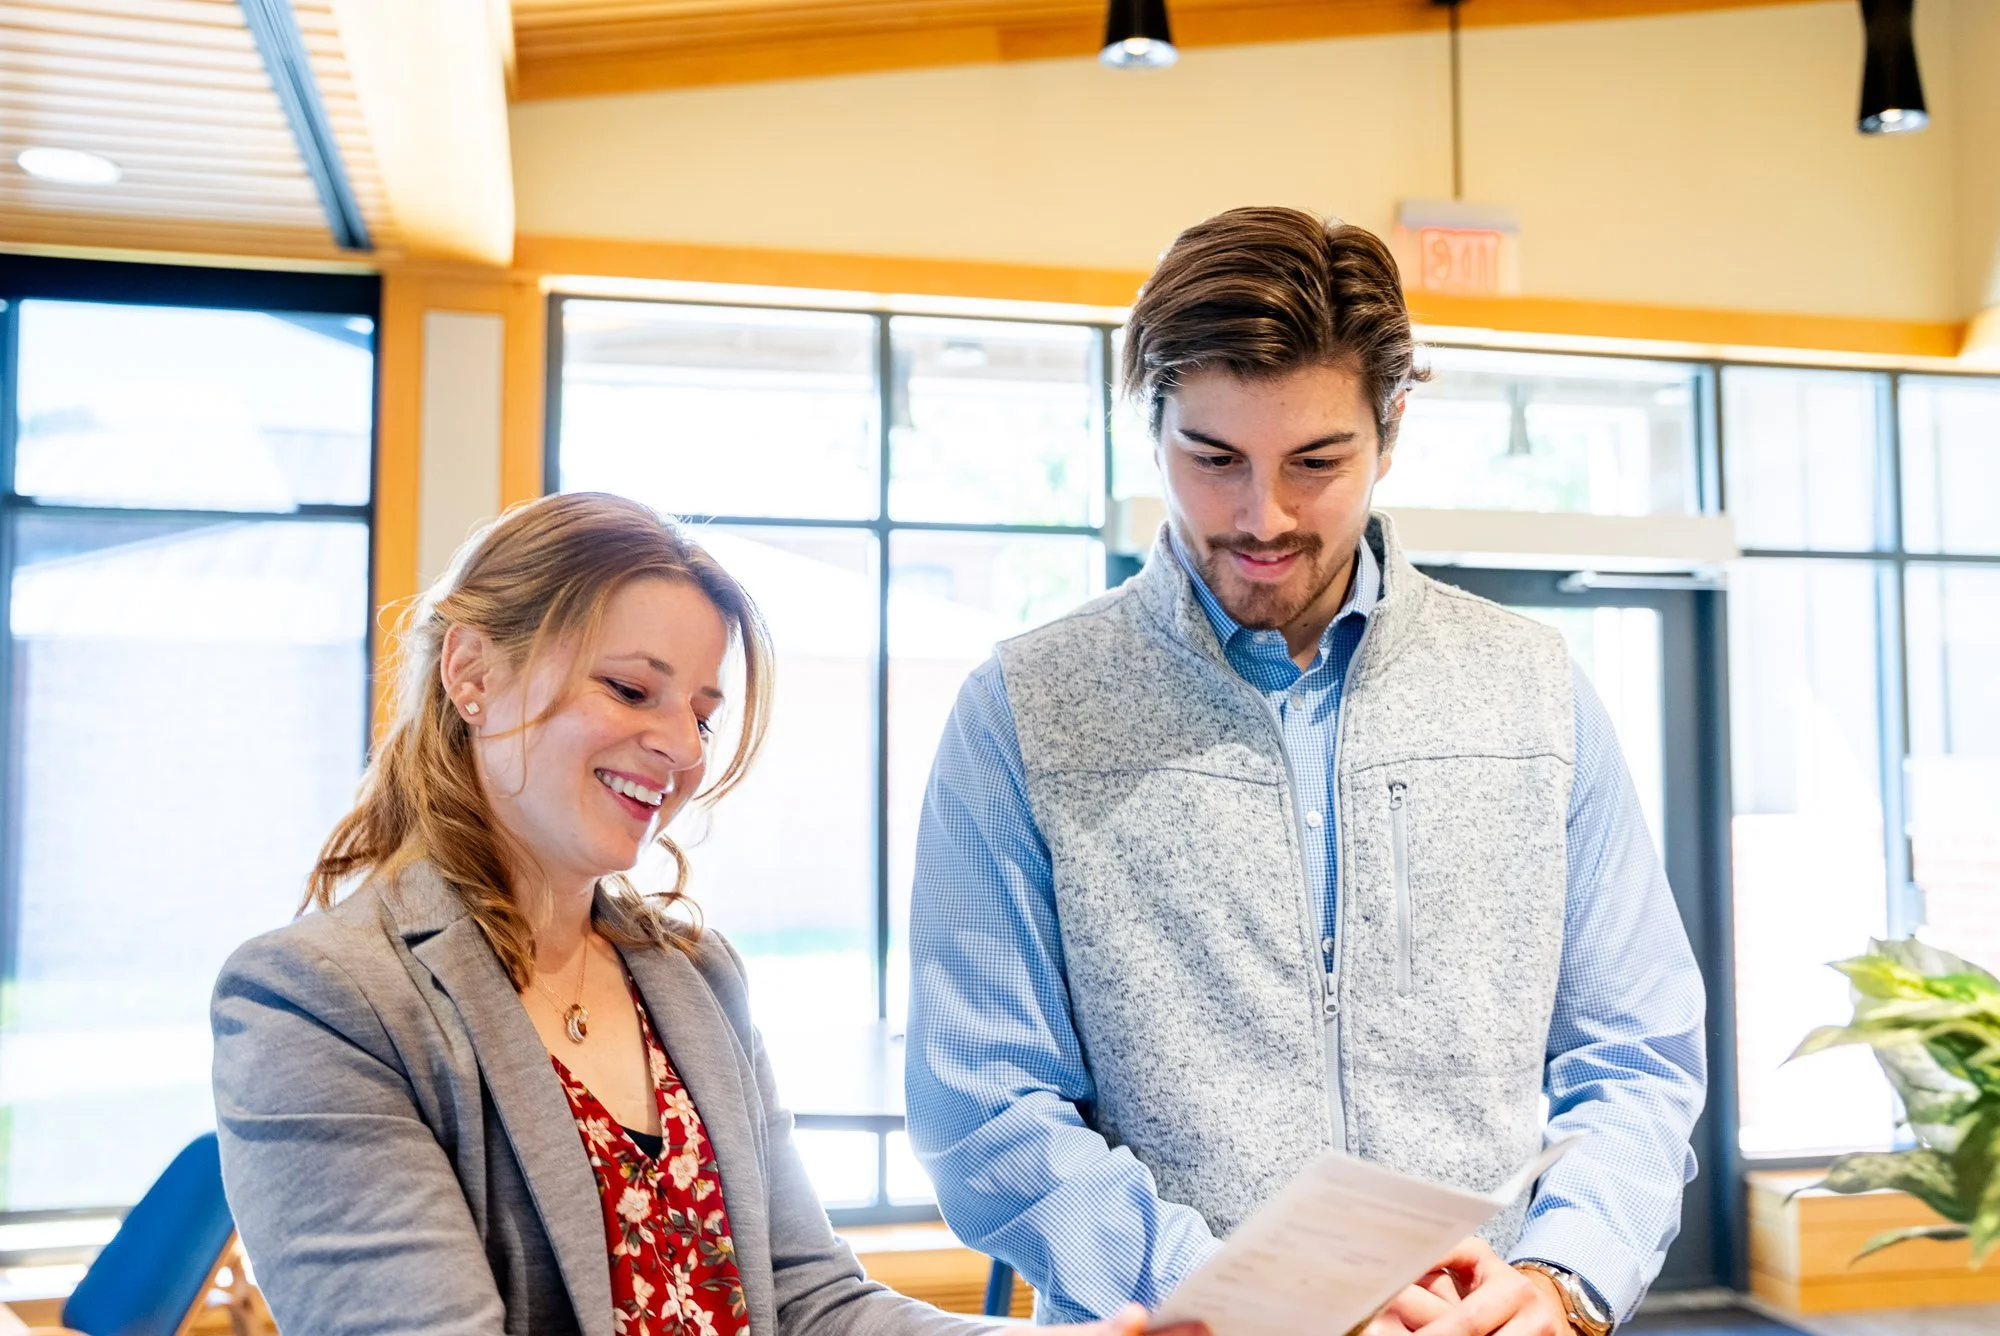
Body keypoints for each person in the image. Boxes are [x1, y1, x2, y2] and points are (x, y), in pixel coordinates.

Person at [905, 208, 1707, 1336]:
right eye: (1213, 458)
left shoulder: (1531, 688)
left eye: (1315, 462)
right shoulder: (1023, 711)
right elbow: (982, 1100)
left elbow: (1635, 1048)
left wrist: (1564, 1280)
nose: (1261, 516)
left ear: (1388, 431)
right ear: (1151, 429)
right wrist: (1257, 1301)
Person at [211, 492, 1201, 1336]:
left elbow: (810, 1300)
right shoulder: (318, 1003)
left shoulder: (691, 976)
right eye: (631, 688)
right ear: (470, 672)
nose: (680, 748)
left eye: (701, 711)